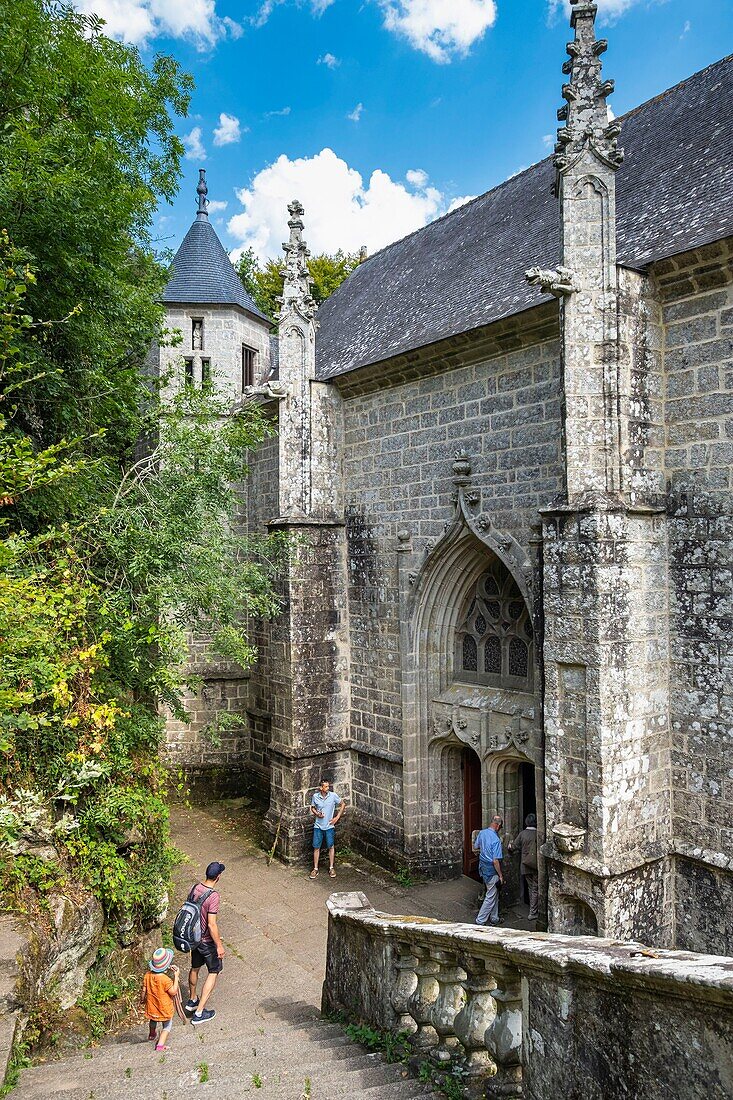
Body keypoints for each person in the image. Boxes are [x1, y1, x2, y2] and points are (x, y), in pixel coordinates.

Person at [184, 861, 225, 1025]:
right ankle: (200, 1013)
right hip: (207, 941)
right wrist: (219, 945)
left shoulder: (195, 888)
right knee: (214, 971)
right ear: (218, 877)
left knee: (194, 968)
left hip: (194, 939)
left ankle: (192, 1000)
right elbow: (211, 924)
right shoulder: (213, 896)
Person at [142, 947, 180, 1051]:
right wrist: (176, 977)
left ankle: (152, 1034)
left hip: (152, 1006)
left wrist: (142, 1000)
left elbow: (144, 990)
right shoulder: (165, 979)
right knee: (167, 1026)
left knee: (153, 1020)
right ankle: (160, 1045)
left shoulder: (147, 975)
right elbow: (173, 992)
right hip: (164, 1008)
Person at [309, 779, 346, 880]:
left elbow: (342, 804)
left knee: (331, 846)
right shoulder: (315, 797)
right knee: (316, 847)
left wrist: (337, 817)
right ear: (321, 788)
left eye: (328, 786)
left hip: (329, 826)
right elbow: (312, 807)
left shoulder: (333, 796)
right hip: (318, 825)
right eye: (325, 787)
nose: (328, 788)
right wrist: (317, 814)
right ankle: (315, 869)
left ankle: (331, 867)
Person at [473, 814, 504, 926]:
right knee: (490, 896)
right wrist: (500, 875)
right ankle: (480, 921)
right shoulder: (496, 840)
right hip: (491, 869)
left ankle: (494, 918)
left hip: (483, 867)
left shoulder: (482, 833)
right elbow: (495, 861)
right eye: (500, 827)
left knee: (493, 892)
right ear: (498, 825)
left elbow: (476, 846)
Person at [509, 813, 538, 921]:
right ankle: (533, 912)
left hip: (526, 864)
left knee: (532, 888)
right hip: (536, 864)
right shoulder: (538, 834)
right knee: (536, 888)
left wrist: (510, 845)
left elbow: (513, 847)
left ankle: (533, 911)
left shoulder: (523, 834)